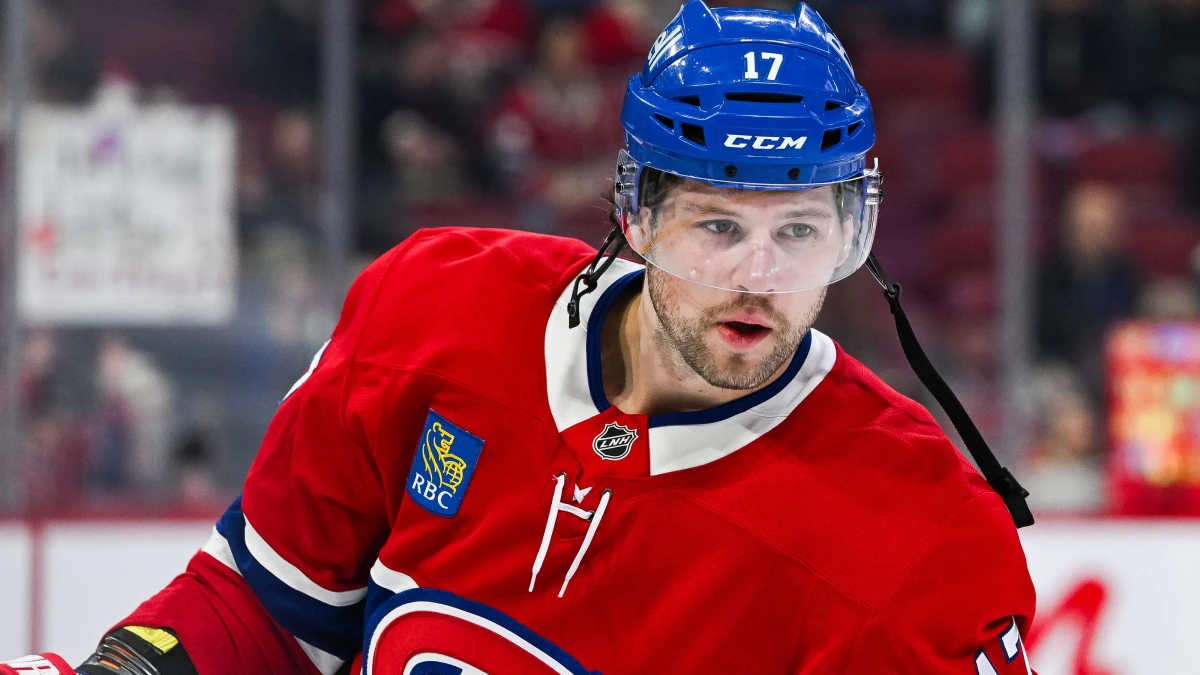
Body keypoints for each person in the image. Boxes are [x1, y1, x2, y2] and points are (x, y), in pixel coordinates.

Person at [1, 2, 1036, 674]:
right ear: (637, 213)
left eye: (801, 232)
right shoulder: (436, 317)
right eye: (719, 225)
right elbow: (267, 616)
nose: (760, 277)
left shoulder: (919, 545)